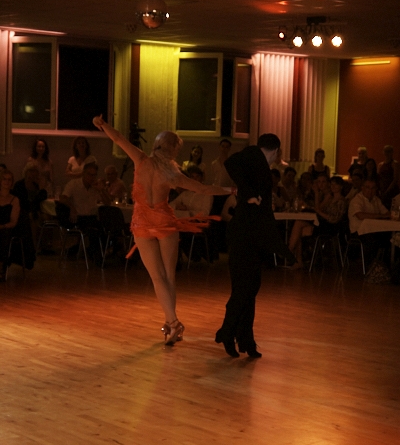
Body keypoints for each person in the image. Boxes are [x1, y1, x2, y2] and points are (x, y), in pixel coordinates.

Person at [93, 115, 233, 345]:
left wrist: (102, 124)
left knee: (157, 278)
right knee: (168, 276)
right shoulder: (172, 175)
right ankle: (172, 324)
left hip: (141, 222)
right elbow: (204, 189)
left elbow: (118, 138)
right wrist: (232, 190)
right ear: (174, 151)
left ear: (156, 145)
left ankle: (172, 324)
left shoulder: (140, 159)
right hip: (164, 222)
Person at [215, 133, 295, 359]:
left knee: (249, 289)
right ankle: (228, 331)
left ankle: (245, 338)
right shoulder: (254, 156)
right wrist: (249, 194)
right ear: (276, 151)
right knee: (244, 289)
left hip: (249, 236)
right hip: (243, 236)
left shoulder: (258, 165)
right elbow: (231, 163)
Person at [60, 160, 110, 261]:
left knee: (108, 227)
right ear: (83, 173)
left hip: (92, 217)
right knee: (97, 229)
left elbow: (108, 203)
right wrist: (72, 208)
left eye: (94, 175)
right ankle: (95, 254)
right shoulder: (74, 184)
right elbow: (63, 198)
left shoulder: (95, 187)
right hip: (79, 218)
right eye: (89, 174)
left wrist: (101, 190)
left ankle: (97, 252)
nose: (91, 177)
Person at [348, 178, 391, 267]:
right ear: (362, 188)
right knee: (373, 240)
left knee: (392, 238)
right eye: (368, 187)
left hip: (374, 231)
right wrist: (380, 216)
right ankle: (369, 267)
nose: (370, 190)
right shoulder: (357, 200)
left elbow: (387, 213)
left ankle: (385, 267)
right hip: (358, 232)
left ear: (376, 189)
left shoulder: (376, 200)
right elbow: (360, 215)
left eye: (373, 188)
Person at [0, 167, 20, 281]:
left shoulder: (14, 200)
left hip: (8, 228)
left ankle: (1, 266)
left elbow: (13, 221)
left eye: (9, 180)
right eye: (4, 179)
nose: (7, 182)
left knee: (4, 234)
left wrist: (2, 226)